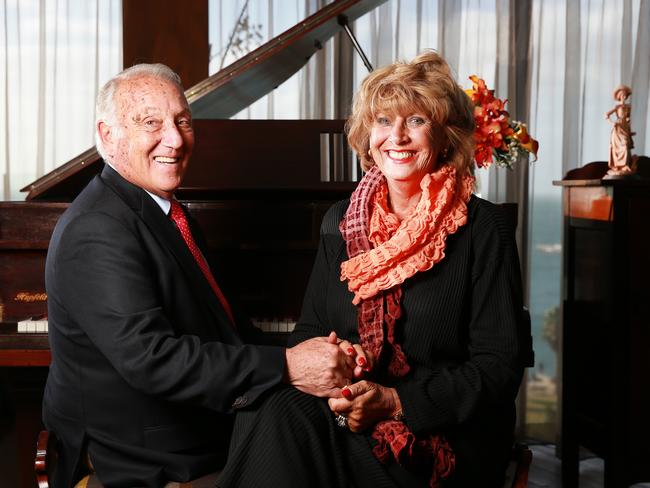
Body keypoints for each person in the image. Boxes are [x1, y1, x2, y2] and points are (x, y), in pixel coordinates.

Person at [42, 63, 366, 488]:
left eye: (182, 121)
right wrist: (289, 365)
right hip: (144, 455)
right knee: (322, 450)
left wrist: (319, 352)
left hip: (188, 427)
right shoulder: (98, 228)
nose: (174, 140)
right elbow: (153, 359)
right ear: (108, 135)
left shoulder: (169, 214)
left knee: (335, 433)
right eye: (151, 123)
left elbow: (226, 333)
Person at [216, 50, 529, 488]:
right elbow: (309, 330)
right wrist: (342, 356)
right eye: (384, 121)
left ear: (445, 136)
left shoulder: (482, 227)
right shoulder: (340, 221)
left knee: (280, 427)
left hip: (440, 431)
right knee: (267, 408)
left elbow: (499, 367)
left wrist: (395, 402)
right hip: (352, 409)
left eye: (416, 121)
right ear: (368, 135)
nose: (396, 137)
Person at [605, 84, 634, 175]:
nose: (624, 97)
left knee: (626, 145)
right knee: (622, 147)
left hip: (625, 127)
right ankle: (620, 165)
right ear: (619, 96)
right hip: (618, 129)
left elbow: (628, 119)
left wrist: (629, 131)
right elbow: (606, 115)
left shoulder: (628, 107)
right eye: (622, 95)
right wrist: (612, 122)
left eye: (625, 95)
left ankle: (625, 165)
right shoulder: (617, 107)